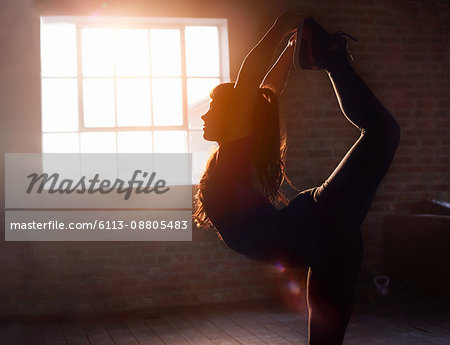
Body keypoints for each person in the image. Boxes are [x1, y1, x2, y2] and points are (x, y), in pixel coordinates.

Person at [193, 10, 400, 345]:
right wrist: (293, 45)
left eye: (213, 107)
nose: (204, 114)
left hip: (316, 223)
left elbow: (254, 83)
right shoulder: (231, 154)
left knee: (383, 132)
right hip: (322, 243)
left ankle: (331, 60)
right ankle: (326, 57)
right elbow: (269, 91)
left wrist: (280, 28)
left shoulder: (234, 150)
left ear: (233, 116)